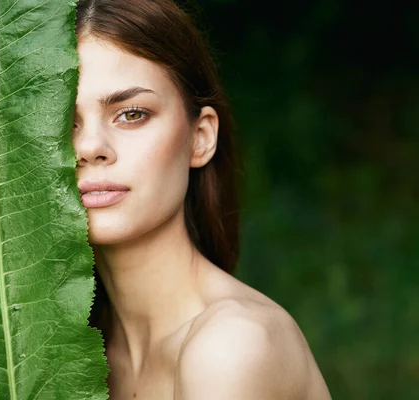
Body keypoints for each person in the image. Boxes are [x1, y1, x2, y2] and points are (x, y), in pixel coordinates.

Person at [72, 0, 332, 398]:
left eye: (132, 114)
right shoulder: (66, 348)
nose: (90, 147)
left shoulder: (230, 347)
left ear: (201, 137)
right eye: (64, 122)